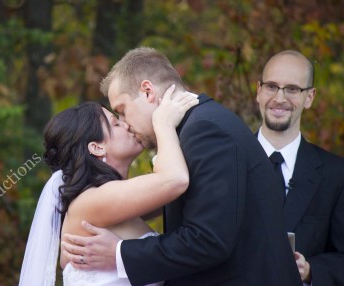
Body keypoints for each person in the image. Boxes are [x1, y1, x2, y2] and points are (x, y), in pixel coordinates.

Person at [61, 47, 302, 285]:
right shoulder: (193, 130)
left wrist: (119, 253)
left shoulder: (204, 130)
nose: (125, 124)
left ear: (147, 92)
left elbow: (208, 240)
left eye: (122, 111)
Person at [18, 86, 199, 285]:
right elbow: (175, 180)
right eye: (115, 123)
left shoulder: (108, 202)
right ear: (96, 147)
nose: (126, 124)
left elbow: (175, 192)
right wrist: (163, 124)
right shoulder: (91, 201)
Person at [255, 50, 344, 285]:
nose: (280, 98)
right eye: (271, 86)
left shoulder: (336, 175)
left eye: (292, 89)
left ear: (310, 97)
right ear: (258, 91)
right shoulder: (225, 163)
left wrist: (310, 270)